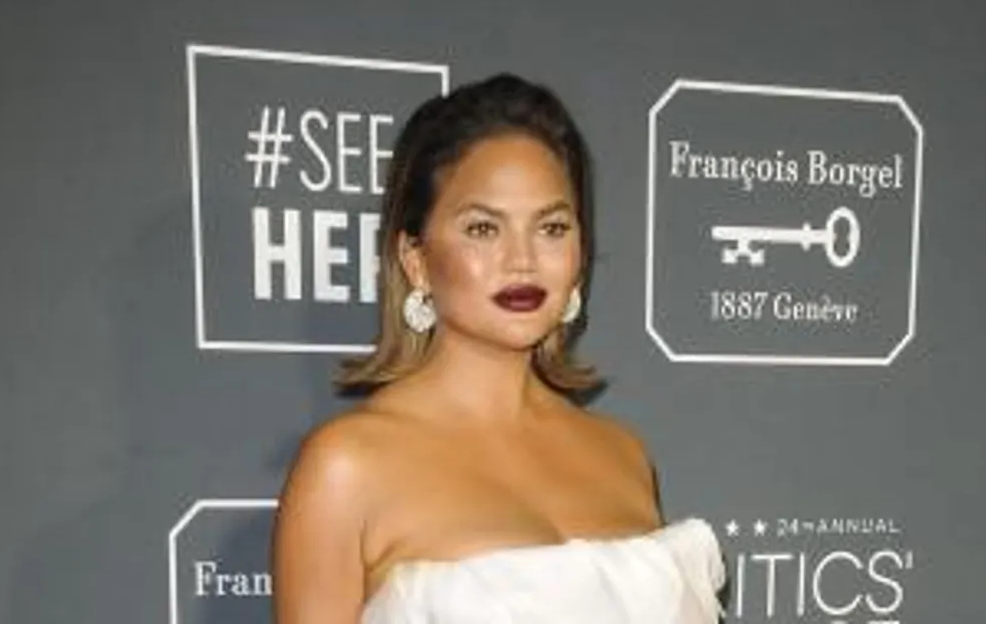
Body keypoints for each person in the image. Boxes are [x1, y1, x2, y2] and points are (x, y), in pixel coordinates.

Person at [270, 74, 726, 623]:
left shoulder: (624, 456)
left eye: (552, 227)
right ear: (416, 259)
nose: (522, 261)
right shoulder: (345, 468)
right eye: (484, 228)